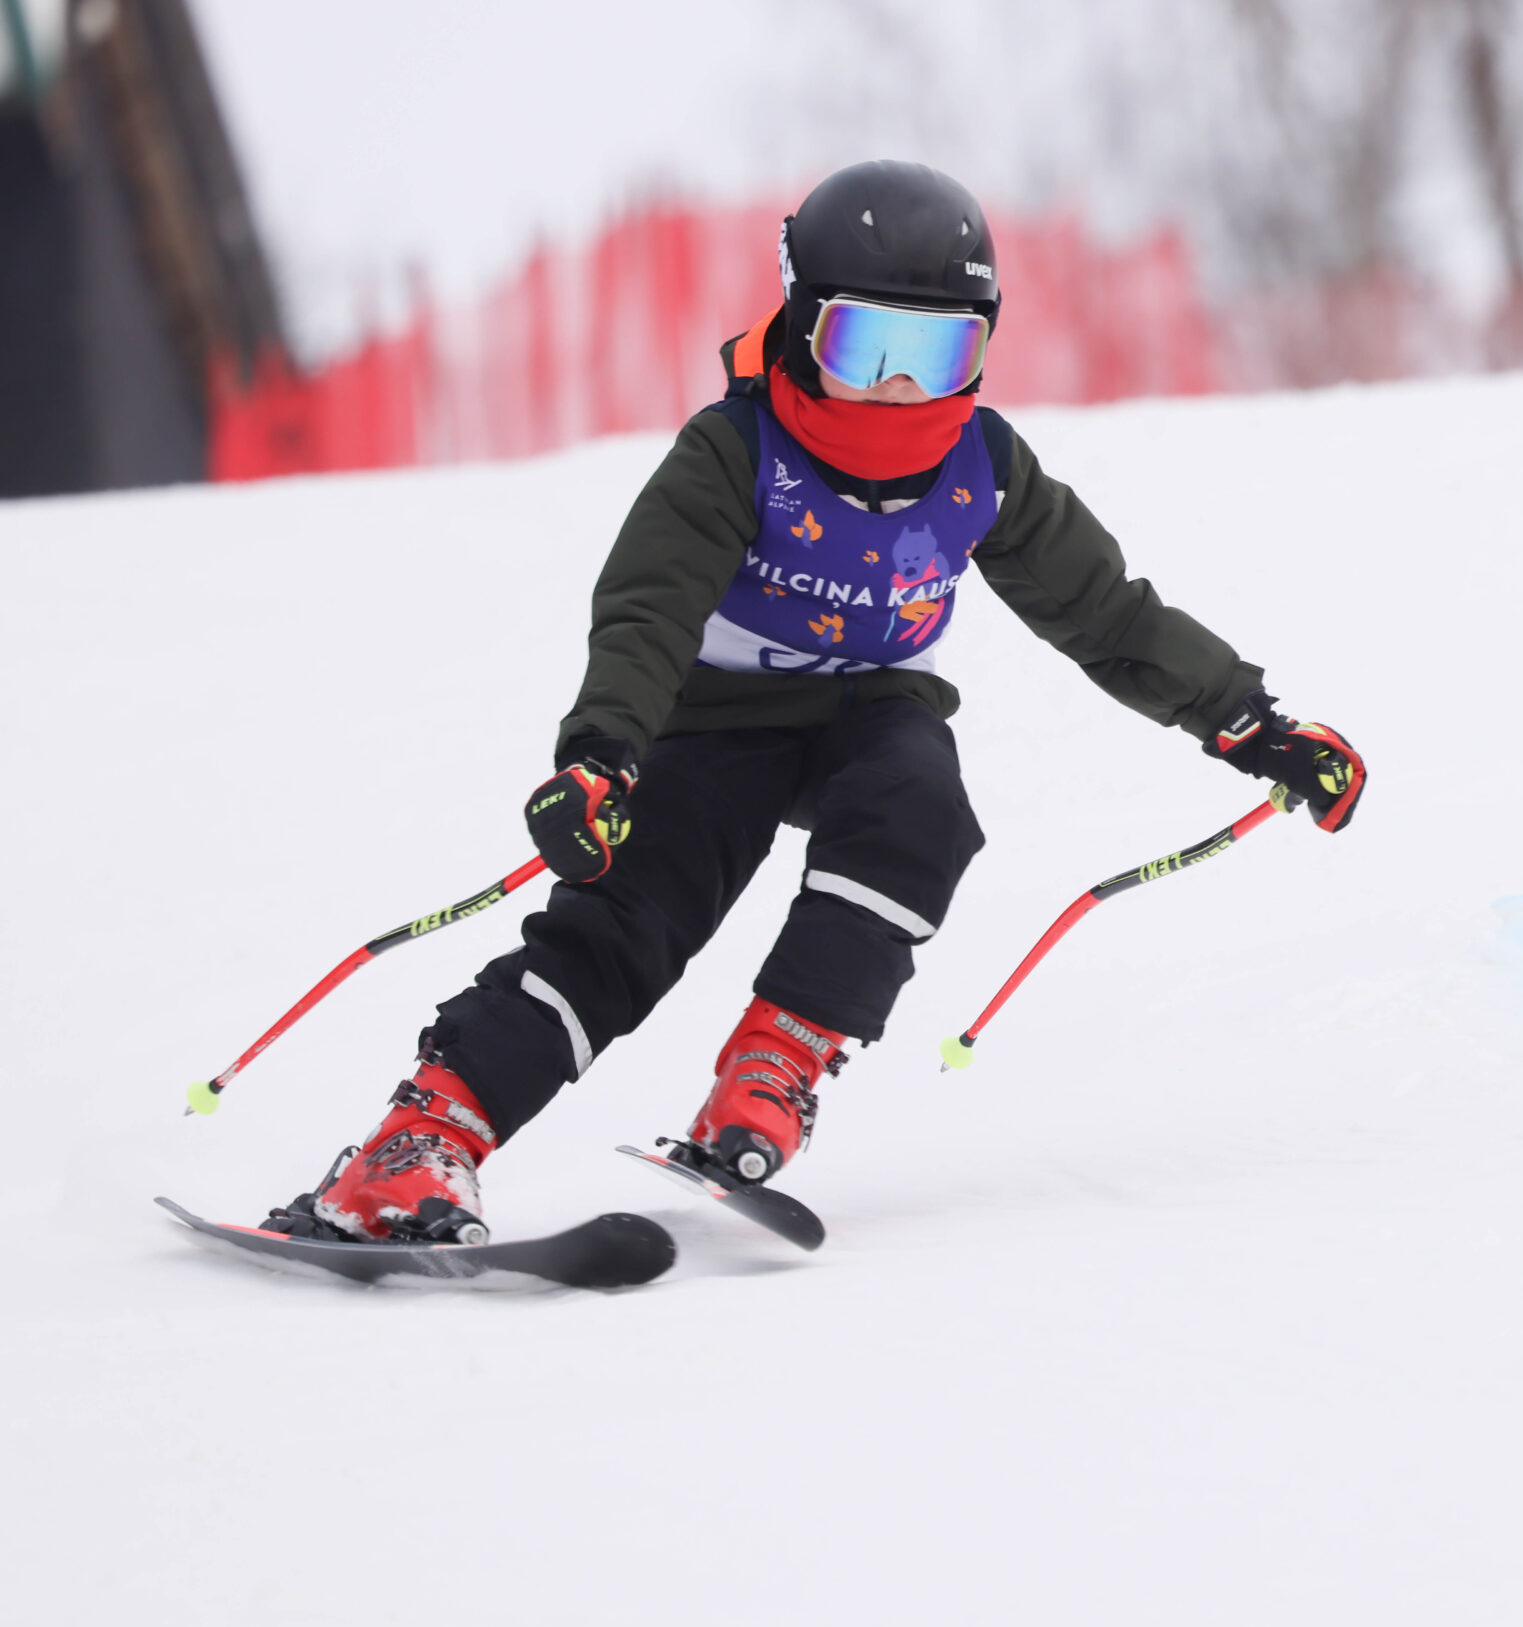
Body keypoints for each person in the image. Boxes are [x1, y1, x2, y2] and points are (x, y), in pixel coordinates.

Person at [266, 160, 1365, 1246]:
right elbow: (648, 612)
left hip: (869, 708)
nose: (899, 387)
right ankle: (416, 1142)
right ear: (802, 324)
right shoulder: (735, 452)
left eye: (937, 353)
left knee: (918, 809)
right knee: (632, 919)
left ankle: (773, 1069)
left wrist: (1252, 725)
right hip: (716, 720)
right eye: (865, 347)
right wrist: (601, 755)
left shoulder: (981, 464)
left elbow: (1108, 615)